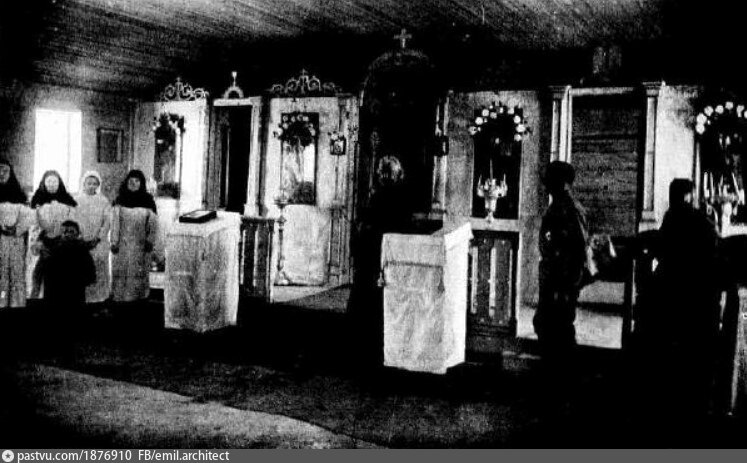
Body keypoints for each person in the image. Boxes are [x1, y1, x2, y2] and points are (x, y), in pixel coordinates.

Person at [646, 178, 721, 421]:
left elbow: (661, 248)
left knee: (673, 352)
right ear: (691, 196)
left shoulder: (673, 217)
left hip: (676, 294)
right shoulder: (702, 220)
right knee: (695, 357)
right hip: (699, 297)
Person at [535, 161, 589, 363]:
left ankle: (561, 373)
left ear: (562, 182)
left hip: (562, 280)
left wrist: (570, 281)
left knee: (558, 329)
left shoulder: (571, 209)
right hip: (553, 277)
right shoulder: (558, 206)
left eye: (550, 180)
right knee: (546, 325)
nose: (546, 185)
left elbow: (579, 247)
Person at [28, 170, 77, 300]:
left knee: (59, 279)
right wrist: (38, 243)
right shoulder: (36, 201)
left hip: (61, 245)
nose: (52, 184)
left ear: (59, 183)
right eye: (49, 181)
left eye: (54, 181)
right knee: (37, 277)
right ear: (43, 183)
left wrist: (64, 239)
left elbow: (72, 224)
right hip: (42, 243)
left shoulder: (68, 202)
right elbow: (33, 225)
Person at [110, 169, 157, 303]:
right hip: (122, 243)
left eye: (137, 181)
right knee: (121, 273)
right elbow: (115, 222)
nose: (134, 183)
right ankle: (120, 301)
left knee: (138, 274)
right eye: (131, 181)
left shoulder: (148, 200)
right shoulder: (120, 200)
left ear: (141, 183)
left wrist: (150, 241)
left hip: (140, 243)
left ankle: (138, 301)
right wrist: (114, 242)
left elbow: (153, 224)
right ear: (126, 182)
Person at [74, 171, 112, 304]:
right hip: (81, 242)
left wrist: (98, 238)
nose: (91, 186)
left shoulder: (104, 201)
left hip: (98, 243)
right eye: (89, 183)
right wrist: (80, 238)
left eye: (95, 184)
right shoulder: (76, 201)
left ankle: (99, 302)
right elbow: (72, 221)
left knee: (98, 272)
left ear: (98, 185)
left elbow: (107, 222)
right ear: (83, 184)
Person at [0, 159, 33, 308]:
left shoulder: (19, 195)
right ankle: (1, 301)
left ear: (10, 173)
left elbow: (28, 218)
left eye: (5, 170)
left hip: (15, 239)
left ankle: (15, 304)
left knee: (16, 272)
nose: (1, 173)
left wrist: (17, 229)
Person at [42, 220, 96, 311]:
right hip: (57, 290)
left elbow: (90, 270)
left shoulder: (82, 250)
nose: (67, 234)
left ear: (77, 234)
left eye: (71, 232)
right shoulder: (54, 249)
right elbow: (48, 271)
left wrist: (84, 280)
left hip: (76, 289)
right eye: (64, 232)